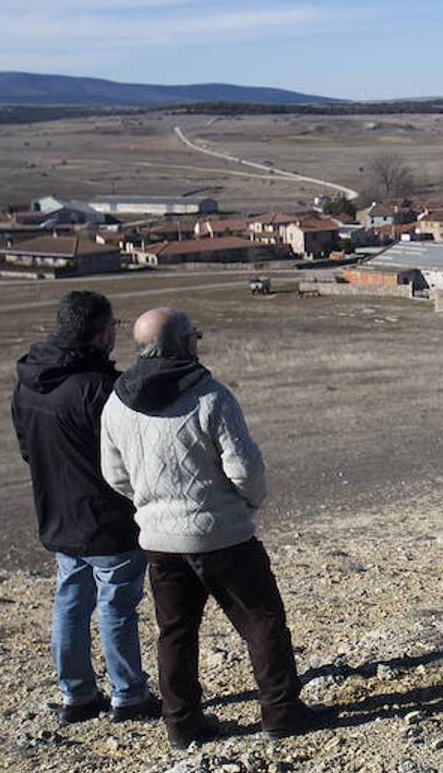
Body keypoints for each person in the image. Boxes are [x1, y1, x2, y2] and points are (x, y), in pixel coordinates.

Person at [99, 307, 321, 748]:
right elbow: (244, 469)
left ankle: (182, 724)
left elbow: (113, 473)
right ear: (184, 343)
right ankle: (280, 711)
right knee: (262, 620)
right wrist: (247, 503)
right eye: (193, 336)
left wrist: (150, 506)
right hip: (222, 534)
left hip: (159, 540)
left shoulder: (116, 401)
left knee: (176, 632)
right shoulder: (210, 396)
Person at [11, 290, 158, 725]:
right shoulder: (99, 389)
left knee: (70, 603)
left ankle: (76, 694)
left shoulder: (29, 381)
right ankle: (129, 695)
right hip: (108, 518)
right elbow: (131, 456)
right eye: (113, 327)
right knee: (116, 606)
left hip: (57, 513)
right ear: (100, 333)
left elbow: (26, 448)